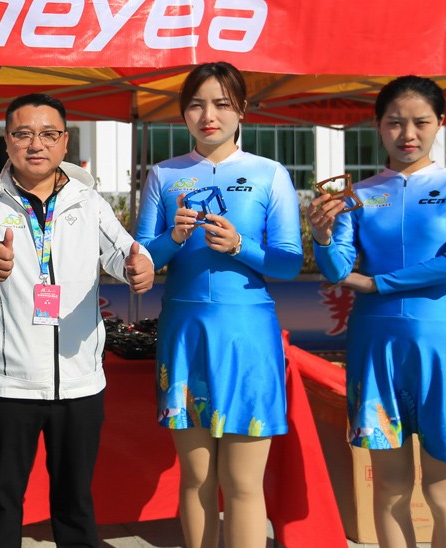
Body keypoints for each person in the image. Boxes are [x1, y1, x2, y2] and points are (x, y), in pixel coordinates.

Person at [0, 92, 154, 548]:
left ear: (64, 141)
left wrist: (139, 265)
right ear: (7, 140)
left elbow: (122, 251)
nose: (36, 144)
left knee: (76, 507)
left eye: (48, 134)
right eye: (23, 134)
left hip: (80, 384)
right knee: (1, 505)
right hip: (7, 385)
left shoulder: (88, 202)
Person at [307, 76, 446, 548]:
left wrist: (378, 284)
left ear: (441, 124)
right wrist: (323, 236)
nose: (407, 134)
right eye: (394, 123)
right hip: (376, 346)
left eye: (420, 122)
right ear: (377, 125)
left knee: (445, 493)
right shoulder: (358, 195)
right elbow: (337, 269)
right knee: (389, 489)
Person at [136, 62, 303, 548]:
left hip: (247, 336)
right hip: (184, 333)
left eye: (221, 104)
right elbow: (141, 259)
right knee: (196, 478)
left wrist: (240, 246)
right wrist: (172, 237)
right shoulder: (164, 175)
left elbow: (289, 262)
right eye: (196, 105)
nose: (208, 116)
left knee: (244, 482)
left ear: (242, 110)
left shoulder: (269, 174)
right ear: (183, 112)